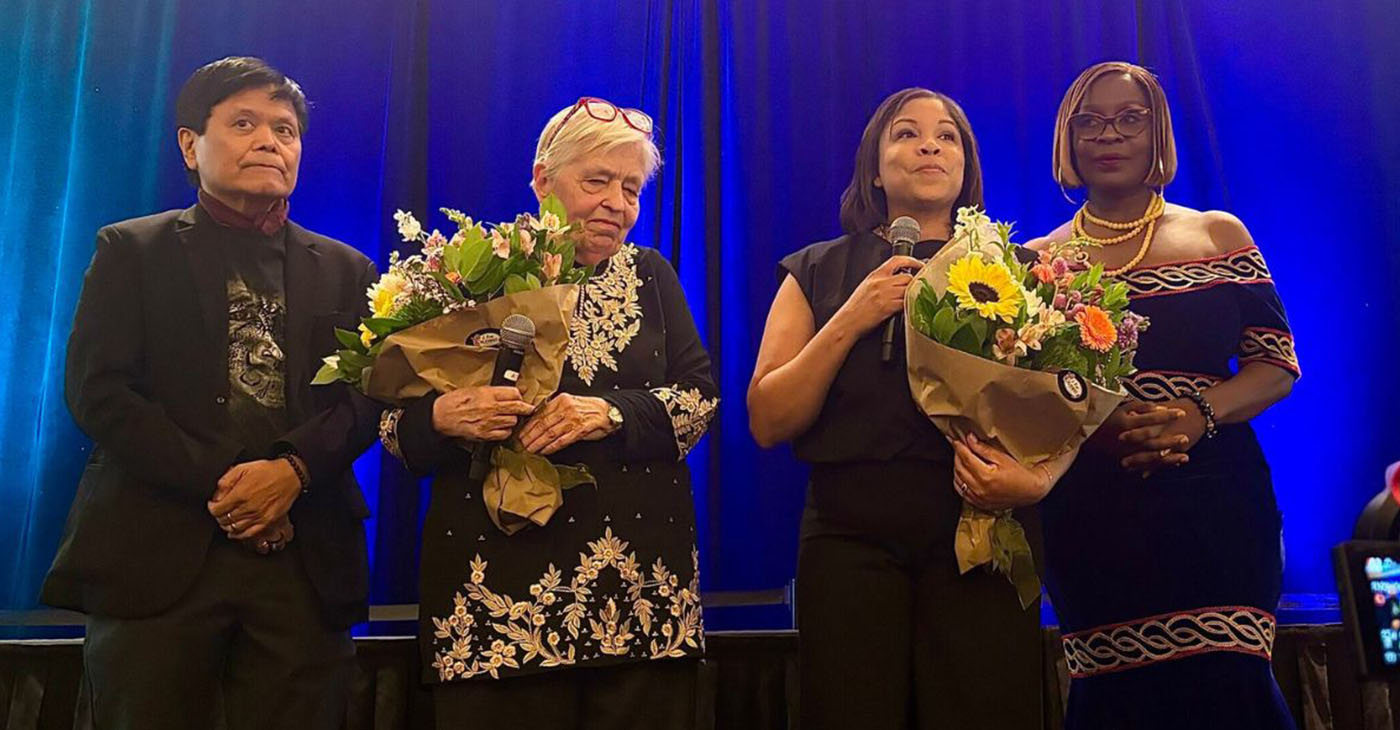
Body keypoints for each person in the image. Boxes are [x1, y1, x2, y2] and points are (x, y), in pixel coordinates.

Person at [41, 57, 382, 729]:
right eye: (244, 123)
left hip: (302, 558)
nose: (269, 142)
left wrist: (292, 471)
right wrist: (232, 486)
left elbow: (367, 399)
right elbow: (98, 391)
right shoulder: (132, 250)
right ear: (190, 145)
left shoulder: (348, 268)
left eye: (285, 130)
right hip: (160, 554)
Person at [377, 96, 718, 729]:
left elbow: (699, 401)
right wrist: (445, 417)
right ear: (541, 179)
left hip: (637, 598)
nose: (617, 203)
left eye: (631, 188)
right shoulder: (463, 274)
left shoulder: (652, 275)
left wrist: (609, 414)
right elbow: (395, 433)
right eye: (597, 181)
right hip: (495, 604)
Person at [748, 87, 1054, 730]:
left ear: (967, 163)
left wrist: (1037, 479)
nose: (928, 146)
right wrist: (852, 317)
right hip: (849, 539)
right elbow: (768, 419)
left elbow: (1064, 410)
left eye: (947, 136)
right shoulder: (817, 269)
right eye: (906, 134)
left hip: (980, 530)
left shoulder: (1020, 271)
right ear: (874, 166)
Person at [1004, 61, 1298, 728]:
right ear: (1068, 139)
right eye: (1091, 121)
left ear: (1158, 132)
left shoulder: (1219, 235)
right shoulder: (1034, 265)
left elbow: (1275, 365)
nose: (1110, 134)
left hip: (1218, 505)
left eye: (1129, 119)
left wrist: (1198, 415)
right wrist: (1098, 429)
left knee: (1231, 686)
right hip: (1093, 515)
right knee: (1116, 701)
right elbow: (1026, 404)